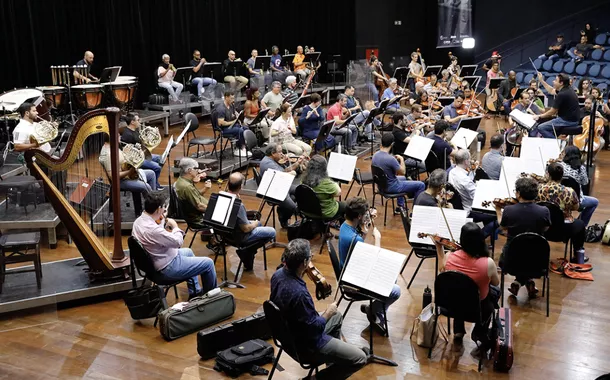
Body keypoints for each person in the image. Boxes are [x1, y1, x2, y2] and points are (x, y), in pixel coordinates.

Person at [270, 239, 367, 380]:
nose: (311, 259)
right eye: (310, 257)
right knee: (360, 358)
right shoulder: (300, 294)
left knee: (337, 316)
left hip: (287, 336)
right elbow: (314, 328)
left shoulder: (278, 275)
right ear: (304, 263)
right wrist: (327, 313)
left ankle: (333, 363)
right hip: (306, 346)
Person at [132, 191, 217, 299]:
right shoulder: (153, 230)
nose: (164, 211)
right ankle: (210, 299)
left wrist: (162, 218)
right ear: (158, 209)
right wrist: (175, 226)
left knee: (189, 252)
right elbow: (177, 242)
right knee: (208, 264)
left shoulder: (138, 221)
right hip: (166, 269)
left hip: (154, 262)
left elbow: (158, 231)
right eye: (163, 208)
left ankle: (194, 292)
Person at [338, 197, 400, 334]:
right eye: (365, 214)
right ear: (359, 216)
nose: (367, 215)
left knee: (392, 277)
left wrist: (364, 230)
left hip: (349, 269)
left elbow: (358, 248)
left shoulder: (344, 225)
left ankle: (375, 309)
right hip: (353, 282)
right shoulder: (355, 239)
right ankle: (375, 311)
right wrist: (377, 238)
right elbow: (374, 260)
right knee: (395, 291)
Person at [433, 222, 500, 345]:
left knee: (459, 289)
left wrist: (438, 247)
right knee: (495, 293)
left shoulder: (449, 256)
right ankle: (480, 331)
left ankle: (458, 331)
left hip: (450, 306)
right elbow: (496, 283)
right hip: (477, 310)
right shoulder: (488, 263)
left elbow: (442, 269)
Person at [496, 177, 551, 298]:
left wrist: (498, 211)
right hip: (537, 261)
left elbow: (503, 228)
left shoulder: (509, 210)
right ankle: (527, 281)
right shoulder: (544, 211)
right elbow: (546, 229)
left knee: (518, 249)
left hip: (511, 261)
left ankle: (519, 281)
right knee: (528, 250)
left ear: (519, 193)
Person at [537, 163, 587, 263]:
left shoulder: (539, 189)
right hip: (563, 230)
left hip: (542, 228)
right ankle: (578, 253)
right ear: (562, 175)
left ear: (548, 174)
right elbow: (576, 207)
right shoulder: (569, 191)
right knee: (580, 224)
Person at [227, 172, 276, 270]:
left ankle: (248, 252)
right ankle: (247, 251)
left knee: (260, 224)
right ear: (241, 186)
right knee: (272, 232)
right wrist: (255, 223)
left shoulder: (222, 197)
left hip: (227, 235)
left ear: (228, 184)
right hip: (239, 236)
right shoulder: (238, 205)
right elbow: (245, 228)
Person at [99, 134, 156, 216]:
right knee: (145, 186)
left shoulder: (113, 146)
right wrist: (129, 172)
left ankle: (151, 203)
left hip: (127, 174)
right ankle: (153, 208)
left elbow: (122, 161)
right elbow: (112, 176)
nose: (120, 137)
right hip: (121, 181)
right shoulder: (108, 154)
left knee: (151, 174)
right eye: (118, 136)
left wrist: (127, 153)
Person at [448, 149, 497, 237]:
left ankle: (479, 228)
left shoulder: (452, 172)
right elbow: (477, 197)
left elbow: (466, 181)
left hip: (458, 206)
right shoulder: (465, 181)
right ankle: (479, 236)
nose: (471, 161)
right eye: (469, 159)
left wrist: (473, 172)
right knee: (496, 216)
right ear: (466, 161)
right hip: (469, 210)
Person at [371, 133, 425, 212]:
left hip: (381, 186)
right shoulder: (391, 159)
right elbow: (403, 171)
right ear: (392, 144)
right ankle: (415, 212)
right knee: (421, 185)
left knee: (403, 178)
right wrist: (402, 159)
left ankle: (400, 207)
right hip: (391, 187)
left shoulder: (375, 155)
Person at [260, 143, 303, 228]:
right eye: (280, 152)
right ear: (273, 153)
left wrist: (297, 163)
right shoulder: (268, 164)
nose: (282, 154)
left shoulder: (273, 161)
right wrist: (292, 173)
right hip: (273, 190)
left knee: (300, 191)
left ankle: (282, 210)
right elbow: (284, 175)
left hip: (280, 185)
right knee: (293, 207)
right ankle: (283, 219)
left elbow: (284, 171)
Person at [120, 113, 163, 190]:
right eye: (138, 120)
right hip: (136, 160)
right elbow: (126, 153)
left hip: (142, 154)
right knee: (157, 167)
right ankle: (154, 186)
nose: (139, 122)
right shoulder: (127, 135)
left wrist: (155, 133)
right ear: (132, 122)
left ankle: (155, 183)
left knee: (160, 159)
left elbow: (142, 142)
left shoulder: (135, 130)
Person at [531, 73, 580, 138]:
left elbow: (552, 112)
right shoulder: (567, 89)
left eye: (555, 80)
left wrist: (539, 116)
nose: (553, 81)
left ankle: (555, 144)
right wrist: (541, 81)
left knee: (541, 127)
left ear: (561, 83)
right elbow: (551, 91)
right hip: (572, 119)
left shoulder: (562, 94)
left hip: (567, 121)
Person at [560, 145, 598, 227]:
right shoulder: (581, 168)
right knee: (595, 202)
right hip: (575, 200)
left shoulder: (559, 166)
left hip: (559, 198)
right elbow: (585, 182)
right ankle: (582, 224)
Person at [301, 155, 346, 219]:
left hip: (308, 211)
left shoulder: (304, 179)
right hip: (325, 213)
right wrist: (331, 179)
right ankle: (344, 227)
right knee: (346, 206)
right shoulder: (326, 183)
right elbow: (338, 193)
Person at [214, 91, 250, 157]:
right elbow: (221, 123)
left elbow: (234, 113)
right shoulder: (221, 108)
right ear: (226, 97)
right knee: (240, 130)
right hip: (223, 129)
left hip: (231, 126)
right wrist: (233, 122)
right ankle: (238, 148)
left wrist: (238, 116)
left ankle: (244, 146)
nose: (233, 100)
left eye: (233, 98)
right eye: (231, 98)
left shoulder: (231, 105)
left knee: (245, 128)